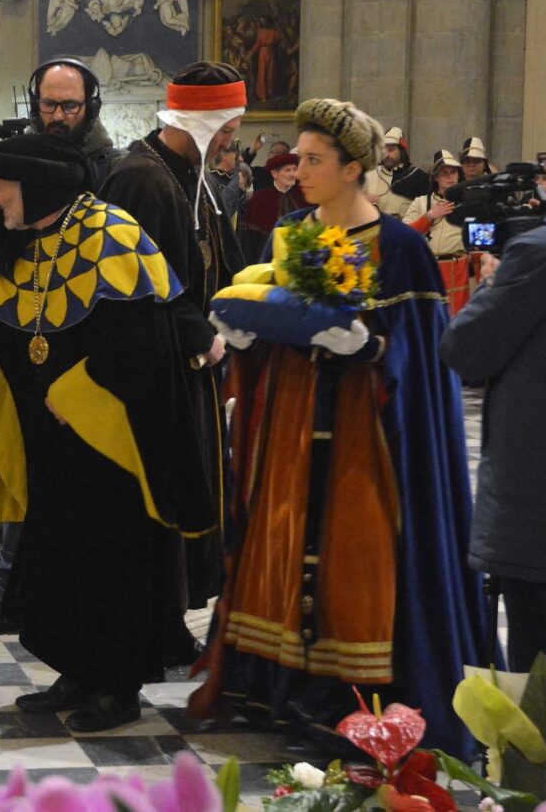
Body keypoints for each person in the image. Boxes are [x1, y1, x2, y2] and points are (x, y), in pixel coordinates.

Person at [195, 98, 492, 757]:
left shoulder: (401, 246)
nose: (299, 171)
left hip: (367, 430)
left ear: (353, 168)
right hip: (289, 420)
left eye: (313, 160)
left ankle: (352, 698)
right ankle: (280, 686)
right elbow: (267, 308)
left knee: (355, 553)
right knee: (279, 543)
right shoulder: (288, 231)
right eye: (298, 159)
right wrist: (243, 339)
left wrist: (372, 347)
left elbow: (424, 353)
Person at [0, 132, 213, 731]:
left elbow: (146, 340)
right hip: (54, 442)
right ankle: (77, 670)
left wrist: (81, 394)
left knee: (112, 561)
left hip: (112, 443)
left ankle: (117, 686)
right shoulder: (33, 240)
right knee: (61, 557)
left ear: (36, 186)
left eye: (0, 188)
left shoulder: (112, 234)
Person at [0, 56, 121, 640]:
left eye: (71, 106)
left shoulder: (111, 164)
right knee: (19, 460)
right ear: (34, 102)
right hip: (17, 324)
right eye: (49, 104)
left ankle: (78, 600)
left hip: (85, 333)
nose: (59, 116)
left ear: (90, 106)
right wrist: (15, 201)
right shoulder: (6, 158)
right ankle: (6, 594)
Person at [97, 62, 246, 667]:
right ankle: (145, 627)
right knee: (153, 502)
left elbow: (222, 264)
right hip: (152, 374)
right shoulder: (140, 179)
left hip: (190, 369)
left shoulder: (191, 176)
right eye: (227, 129)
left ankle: (168, 619)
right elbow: (137, 282)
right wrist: (198, 333)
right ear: (204, 122)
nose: (232, 141)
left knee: (185, 496)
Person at [441, 226, 546, 672]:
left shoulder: (536, 254)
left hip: (534, 508)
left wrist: (492, 285)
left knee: (535, 679)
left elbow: (465, 350)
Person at [404, 150, 473, 314]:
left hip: (458, 269)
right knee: (429, 318)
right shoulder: (420, 203)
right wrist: (429, 216)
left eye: (453, 172)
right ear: (435, 177)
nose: (450, 177)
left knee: (456, 320)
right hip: (428, 269)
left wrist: (474, 255)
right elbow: (405, 236)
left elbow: (482, 235)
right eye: (444, 173)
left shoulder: (469, 202)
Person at [239, 151, 307, 264]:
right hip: (267, 257)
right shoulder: (260, 198)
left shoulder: (304, 196)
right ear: (274, 174)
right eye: (287, 170)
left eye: (295, 170)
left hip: (300, 256)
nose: (292, 174)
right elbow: (250, 240)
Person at [365, 127, 429, 219]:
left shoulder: (418, 177)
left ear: (402, 151)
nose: (386, 155)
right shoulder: (370, 174)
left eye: (391, 150)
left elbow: (424, 212)